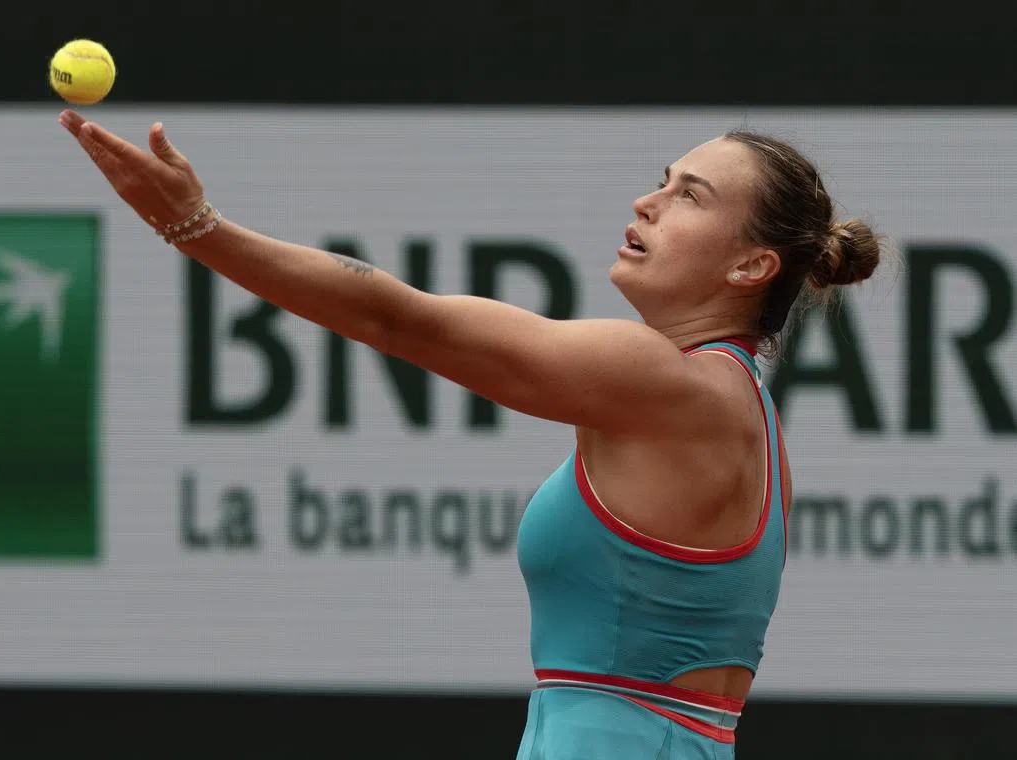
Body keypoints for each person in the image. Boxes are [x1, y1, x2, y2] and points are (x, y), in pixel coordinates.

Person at [58, 110, 881, 758]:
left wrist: (197, 226)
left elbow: (397, 319)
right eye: (662, 181)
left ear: (750, 267)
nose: (648, 202)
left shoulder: (665, 383)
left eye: (691, 196)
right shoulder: (742, 415)